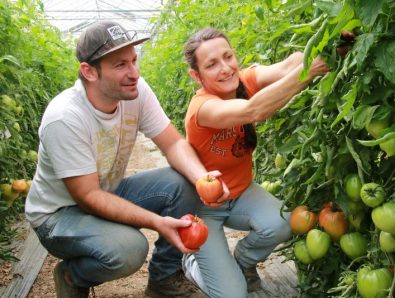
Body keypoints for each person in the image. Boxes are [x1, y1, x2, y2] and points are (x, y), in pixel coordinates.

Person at [24, 21, 228, 298]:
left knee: (184, 182)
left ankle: (164, 280)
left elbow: (174, 143)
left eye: (134, 60)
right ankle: (74, 276)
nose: (134, 72)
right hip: (59, 215)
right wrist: (157, 222)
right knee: (130, 250)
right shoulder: (65, 118)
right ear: (89, 71)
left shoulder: (136, 90)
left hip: (106, 191)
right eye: (120, 65)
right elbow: (88, 197)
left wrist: (202, 179)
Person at [181, 27, 330, 298]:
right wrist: (310, 71)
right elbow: (254, 110)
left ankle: (243, 262)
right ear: (196, 75)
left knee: (284, 222)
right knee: (232, 295)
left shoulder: (243, 81)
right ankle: (193, 263)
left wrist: (326, 43)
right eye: (211, 64)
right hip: (205, 207)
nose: (225, 68)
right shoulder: (203, 108)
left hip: (241, 194)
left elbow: (291, 63)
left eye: (228, 56)